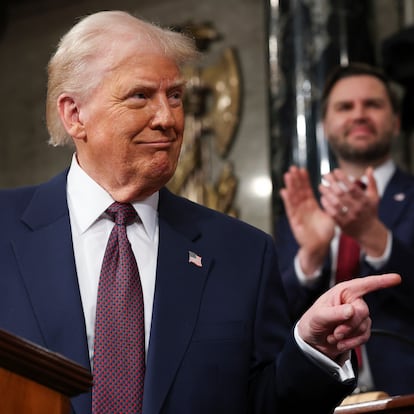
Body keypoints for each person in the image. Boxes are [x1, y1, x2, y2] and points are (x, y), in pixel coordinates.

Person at [0, 12, 400, 414]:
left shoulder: (242, 253)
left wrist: (312, 350)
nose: (168, 118)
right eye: (140, 96)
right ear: (75, 114)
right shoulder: (5, 229)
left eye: (174, 96)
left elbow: (266, 402)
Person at [276, 62, 414, 396]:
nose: (359, 114)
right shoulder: (303, 210)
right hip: (318, 397)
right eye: (345, 107)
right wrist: (310, 258)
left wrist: (374, 236)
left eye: (373, 104)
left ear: (395, 123)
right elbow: (275, 319)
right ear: (324, 127)